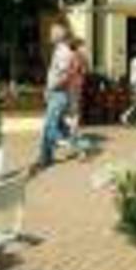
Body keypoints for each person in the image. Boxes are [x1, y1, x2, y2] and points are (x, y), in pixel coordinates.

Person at [34, 22, 74, 171]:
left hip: (58, 94)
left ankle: (61, 146)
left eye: (52, 33)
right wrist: (48, 89)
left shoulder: (63, 52)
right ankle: (46, 157)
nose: (49, 35)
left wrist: (51, 89)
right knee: (57, 126)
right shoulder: (58, 50)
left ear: (58, 35)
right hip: (56, 93)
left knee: (50, 127)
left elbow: (64, 75)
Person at [67, 38, 89, 137]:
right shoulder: (76, 56)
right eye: (82, 46)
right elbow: (77, 70)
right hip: (74, 84)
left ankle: (73, 129)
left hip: (74, 84)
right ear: (77, 47)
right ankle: (73, 130)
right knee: (74, 107)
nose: (84, 48)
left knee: (74, 107)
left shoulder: (74, 56)